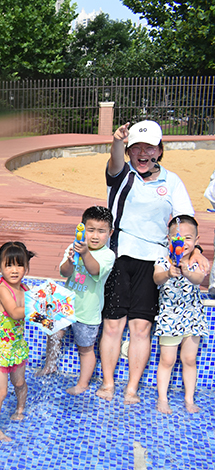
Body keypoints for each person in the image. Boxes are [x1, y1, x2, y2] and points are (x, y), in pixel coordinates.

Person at [98, 120, 208, 404]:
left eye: (150, 147)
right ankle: (108, 383)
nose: (143, 153)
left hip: (153, 262)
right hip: (120, 256)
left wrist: (196, 250)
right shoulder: (122, 174)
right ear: (129, 151)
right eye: (136, 148)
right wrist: (118, 141)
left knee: (141, 328)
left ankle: (132, 388)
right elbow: (115, 159)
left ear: (159, 150)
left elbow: (185, 223)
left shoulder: (171, 182)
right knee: (113, 325)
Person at [36, 207, 116, 396]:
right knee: (53, 333)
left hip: (88, 312)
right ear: (81, 228)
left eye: (101, 231)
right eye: (90, 230)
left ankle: (83, 383)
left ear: (110, 233)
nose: (95, 236)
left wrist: (85, 253)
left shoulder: (107, 255)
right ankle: (50, 365)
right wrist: (70, 261)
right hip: (65, 305)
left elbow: (95, 270)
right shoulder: (73, 247)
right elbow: (64, 272)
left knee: (85, 349)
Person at [153, 215, 207, 414]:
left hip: (193, 319)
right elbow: (157, 278)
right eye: (177, 238)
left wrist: (186, 272)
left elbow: (198, 279)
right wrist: (169, 273)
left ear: (196, 240)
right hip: (169, 319)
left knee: (189, 359)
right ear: (168, 239)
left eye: (188, 238)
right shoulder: (163, 261)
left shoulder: (195, 263)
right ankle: (162, 398)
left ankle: (189, 399)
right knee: (167, 360)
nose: (182, 243)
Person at [0, 241, 33, 442]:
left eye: (19, 265)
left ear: (26, 266)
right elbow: (14, 312)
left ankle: (20, 409)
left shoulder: (25, 289)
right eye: (9, 265)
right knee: (1, 392)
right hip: (0, 350)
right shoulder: (3, 289)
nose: (14, 270)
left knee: (19, 383)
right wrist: (38, 307)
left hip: (17, 347)